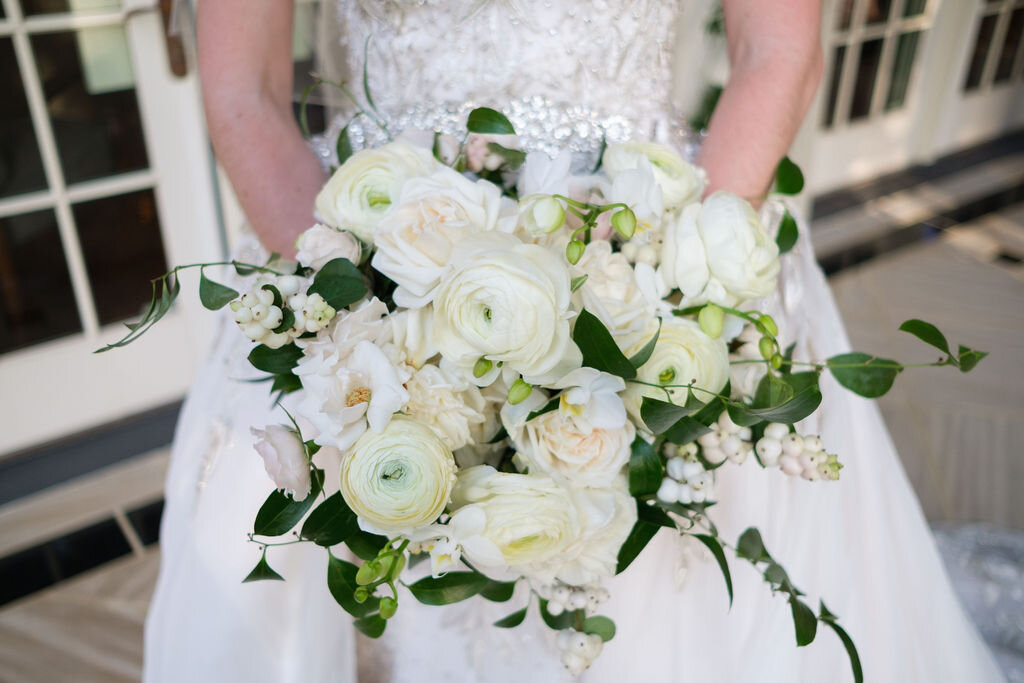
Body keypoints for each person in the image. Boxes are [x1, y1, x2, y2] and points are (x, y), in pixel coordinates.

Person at [144, 1, 1006, 681]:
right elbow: (242, 93)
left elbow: (779, 51)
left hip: (647, 241)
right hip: (366, 244)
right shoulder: (351, 294)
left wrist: (664, 292)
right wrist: (353, 318)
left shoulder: (658, 278)